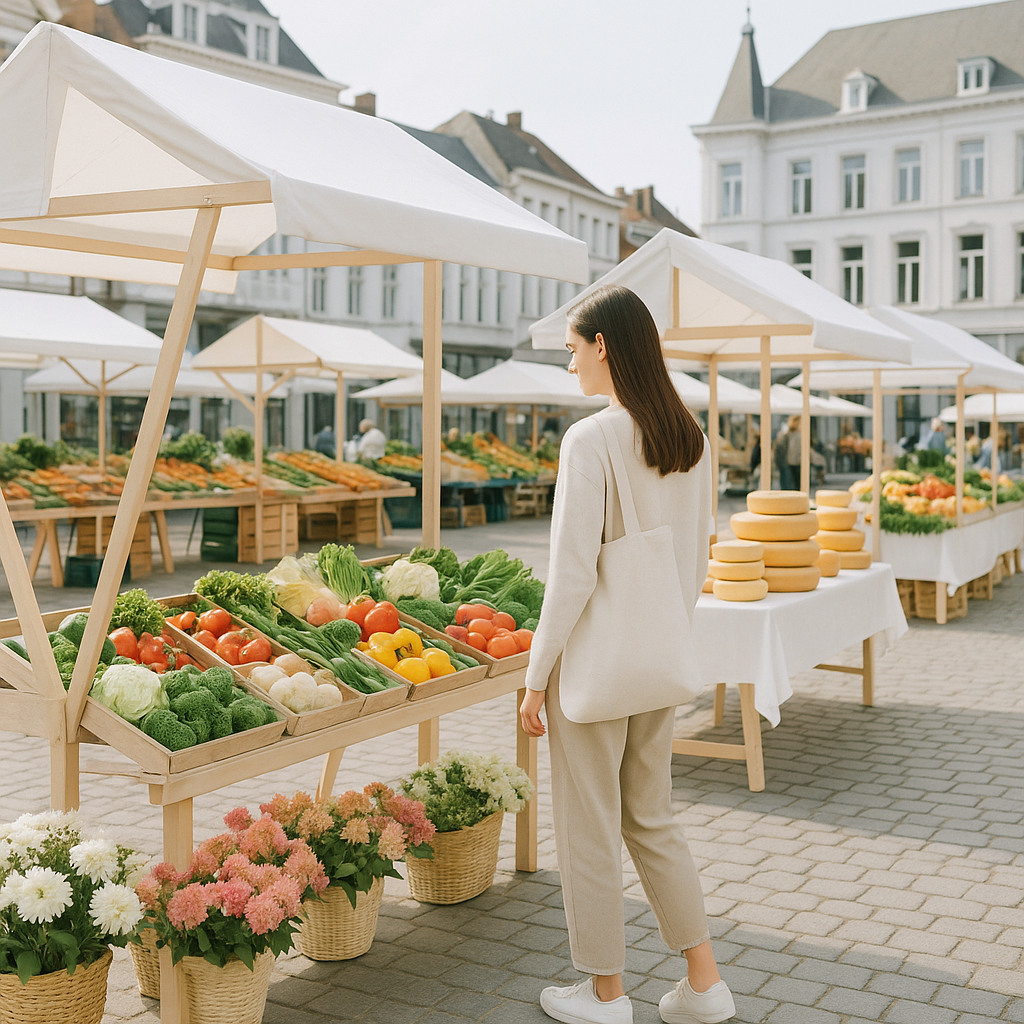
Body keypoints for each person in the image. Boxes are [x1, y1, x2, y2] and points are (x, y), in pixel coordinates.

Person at [520, 285, 734, 1024]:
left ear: (604, 345)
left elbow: (572, 573)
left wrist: (535, 676)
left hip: (595, 668)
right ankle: (704, 983)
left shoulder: (593, 439)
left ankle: (607, 994)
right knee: (652, 817)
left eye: (575, 350)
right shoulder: (690, 437)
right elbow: (698, 553)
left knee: (588, 823)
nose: (571, 364)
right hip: (661, 657)